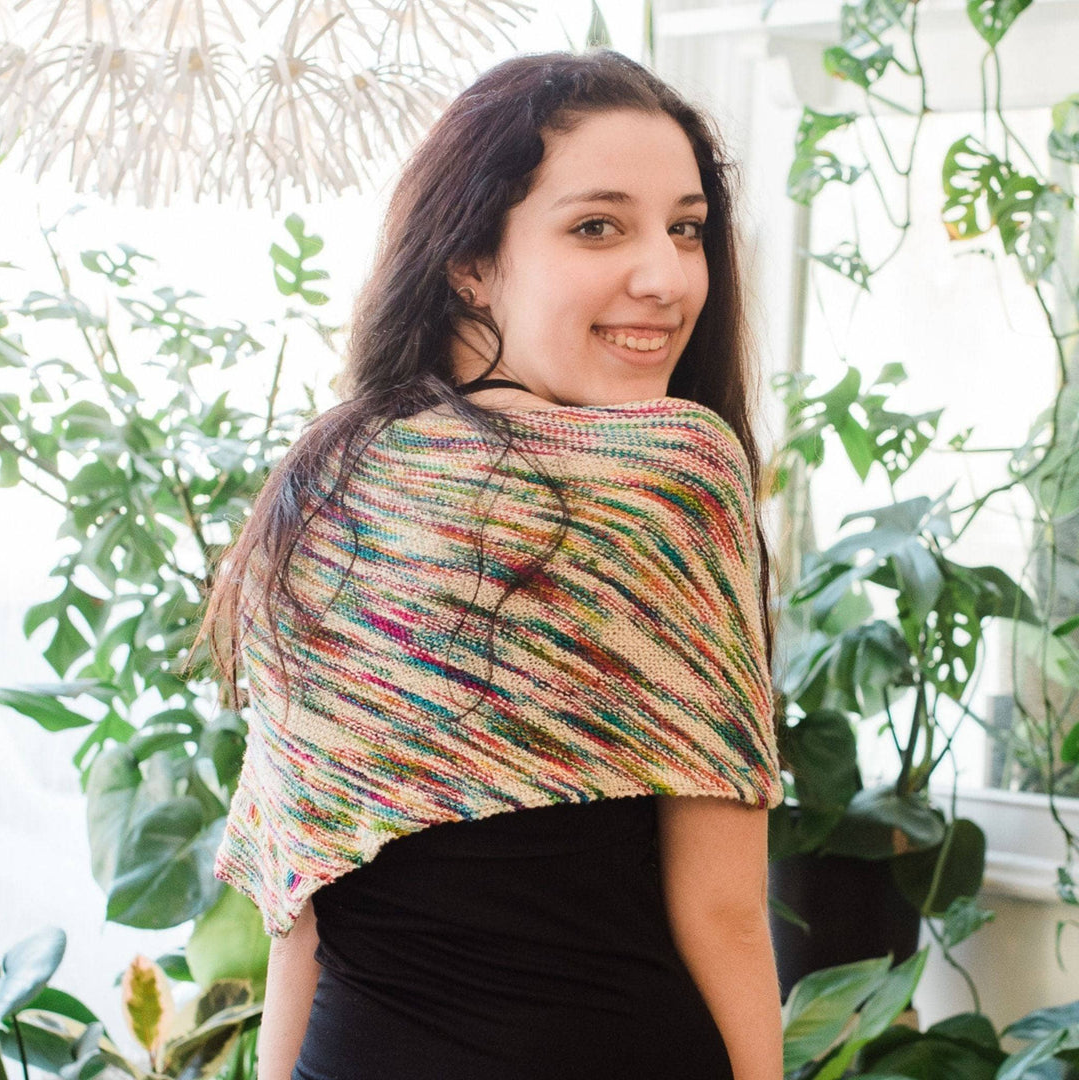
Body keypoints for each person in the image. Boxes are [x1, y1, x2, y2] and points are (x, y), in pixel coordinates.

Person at [199, 48, 784, 1080]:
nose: (667, 276)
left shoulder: (330, 479)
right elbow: (725, 911)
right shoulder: (672, 468)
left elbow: (301, 905)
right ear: (468, 258)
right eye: (598, 225)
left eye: (685, 228)